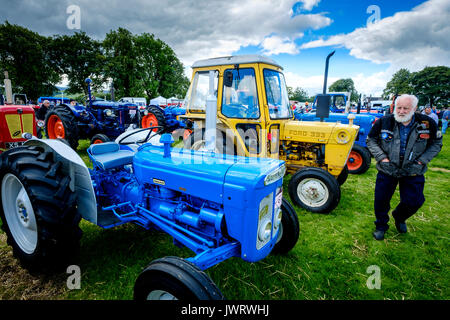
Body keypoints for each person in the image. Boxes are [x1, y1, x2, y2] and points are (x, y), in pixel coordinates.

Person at [366, 94, 442, 240]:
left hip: (413, 170)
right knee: (381, 200)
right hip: (388, 169)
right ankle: (381, 226)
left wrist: (422, 160)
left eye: (405, 108)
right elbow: (371, 140)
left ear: (414, 108)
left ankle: (399, 217)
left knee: (415, 201)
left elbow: (437, 143)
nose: (401, 111)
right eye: (398, 107)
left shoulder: (427, 123)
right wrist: (382, 158)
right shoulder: (384, 121)